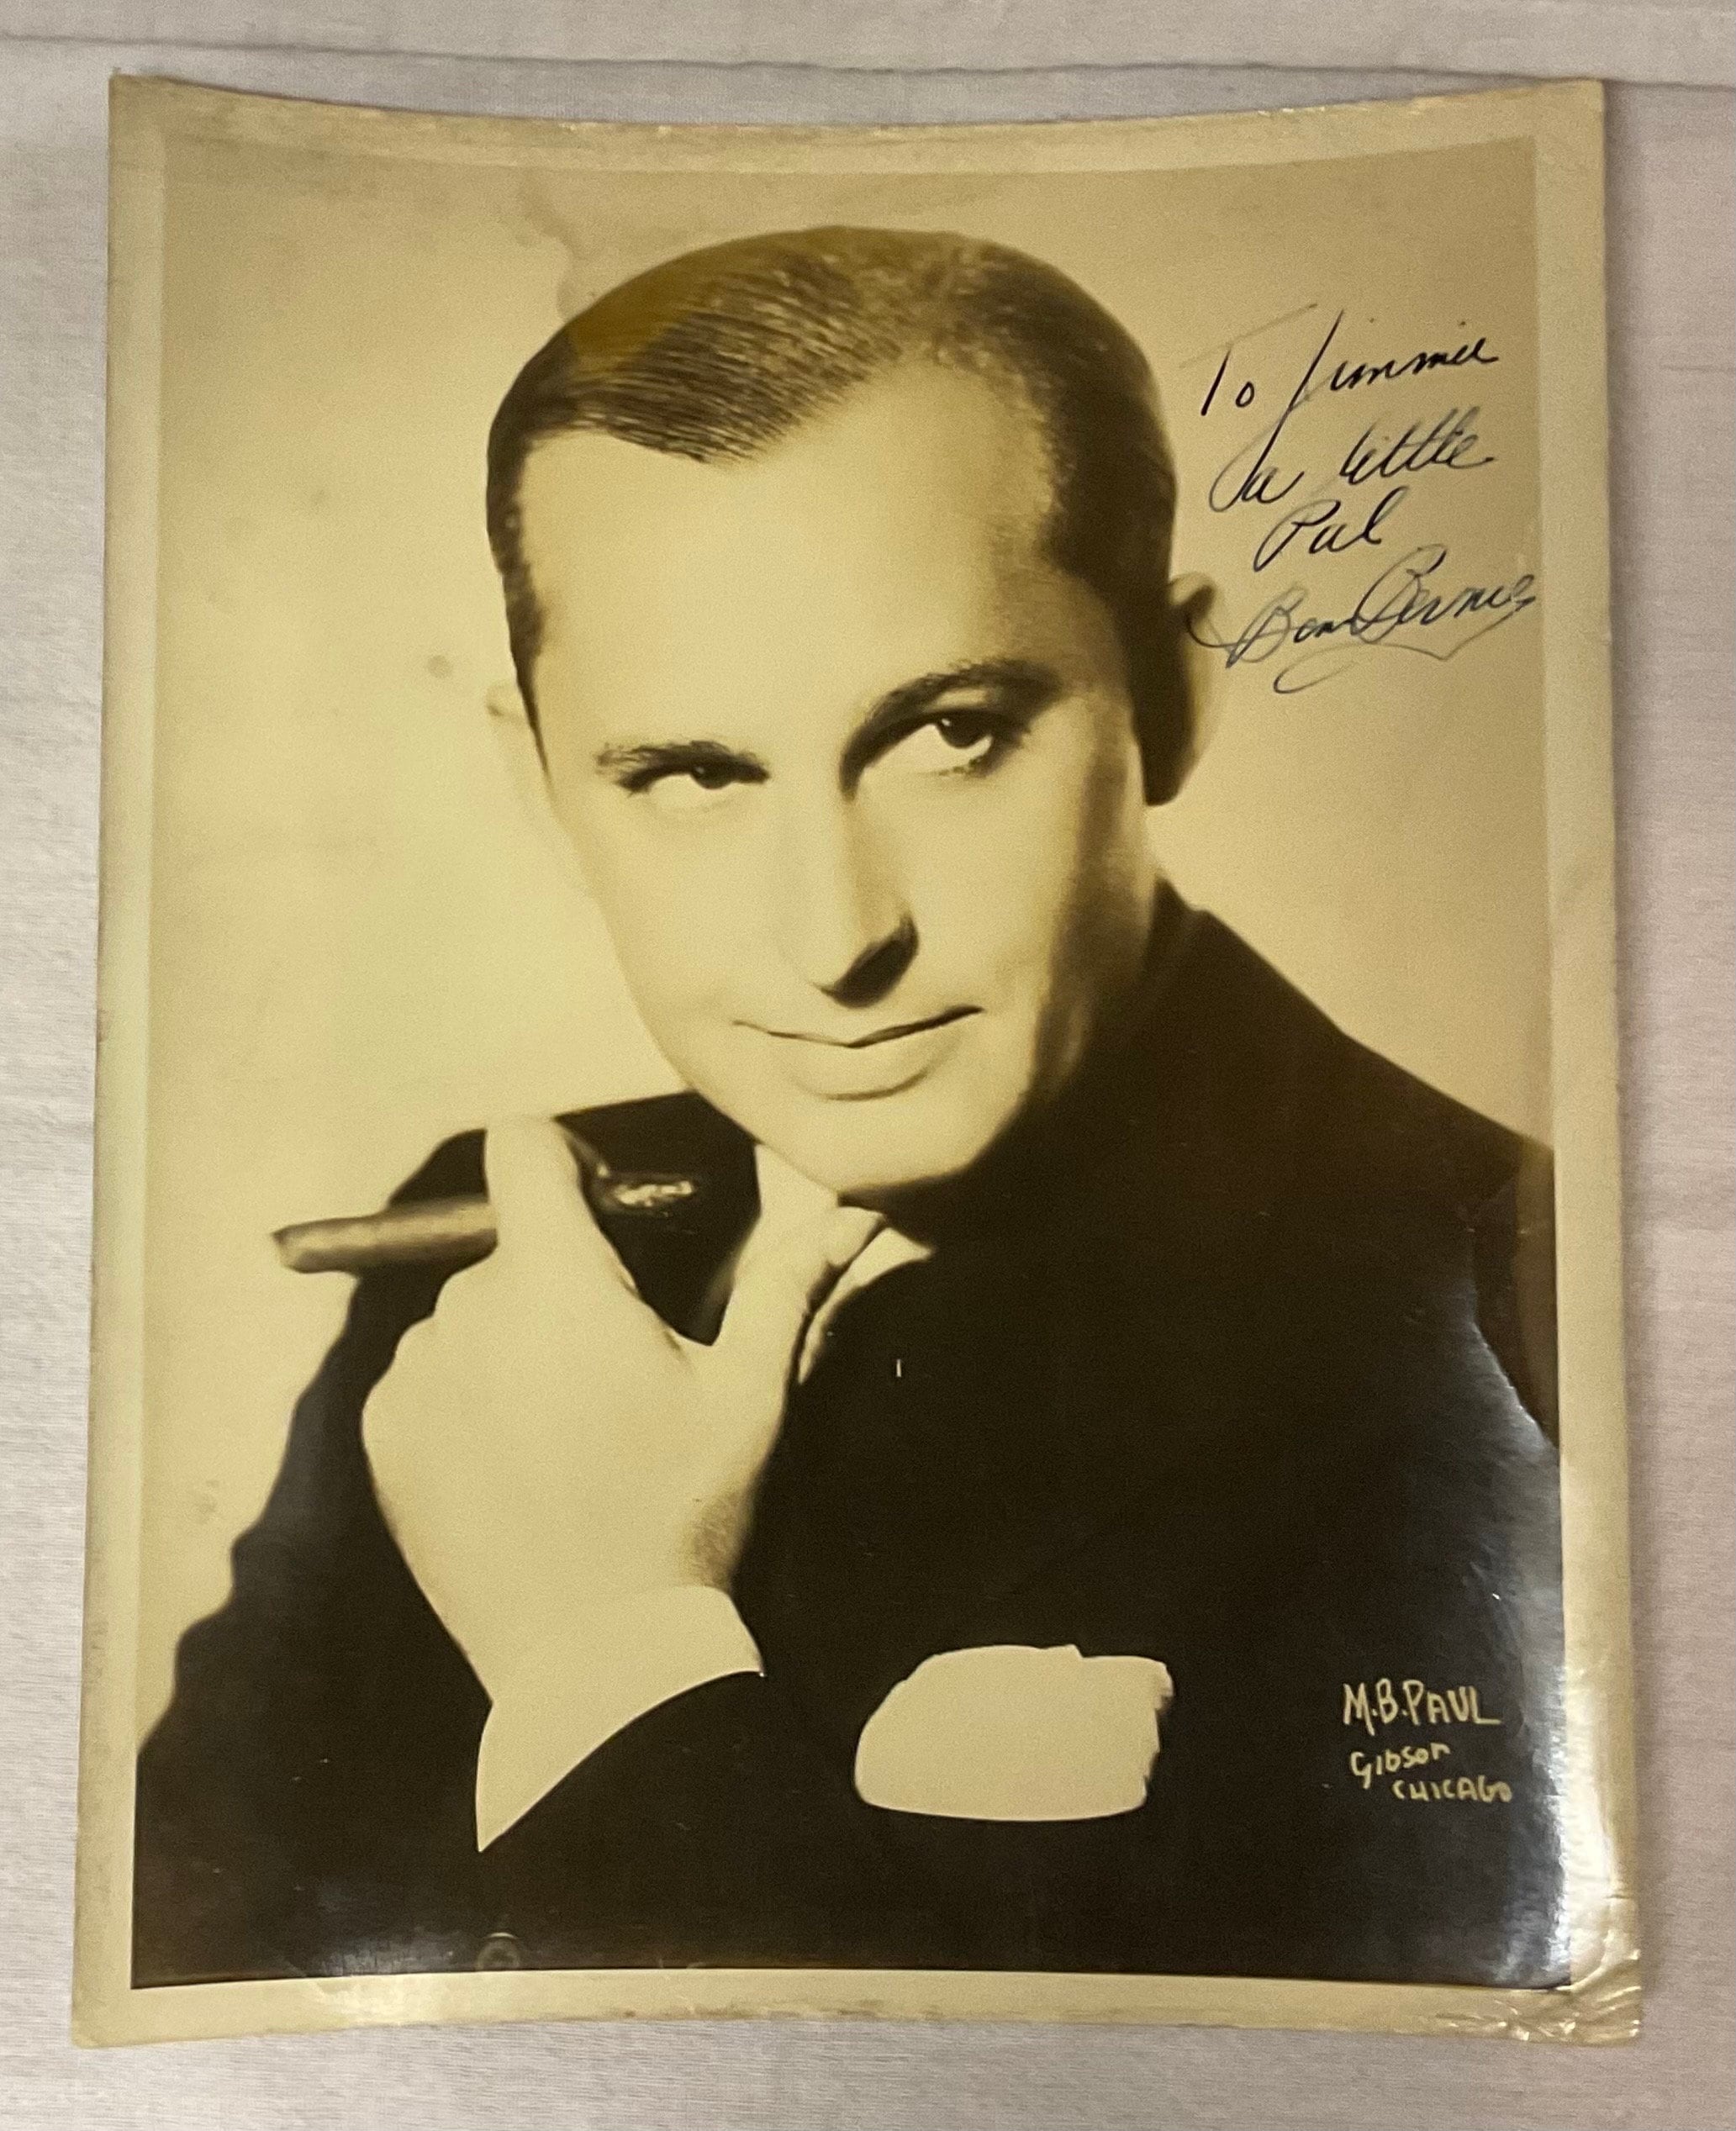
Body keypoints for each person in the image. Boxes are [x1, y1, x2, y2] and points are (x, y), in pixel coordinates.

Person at [134, 227, 1567, 1990]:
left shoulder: (1522, 1317)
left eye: (951, 731)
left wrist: (609, 1659)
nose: (833, 941)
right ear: (540, 779)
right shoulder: (499, 1258)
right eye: (691, 773)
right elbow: (185, 1980)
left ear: (1173, 696)